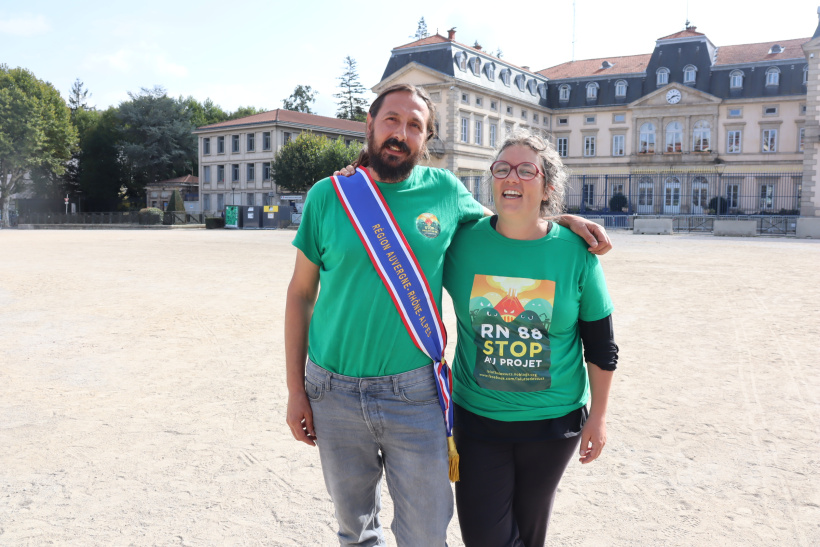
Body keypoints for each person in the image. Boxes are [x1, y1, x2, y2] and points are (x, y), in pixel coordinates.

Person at [284, 84, 611, 547]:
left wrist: (563, 221)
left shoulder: (445, 191)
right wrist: (296, 390)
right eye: (391, 120)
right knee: (355, 531)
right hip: (332, 393)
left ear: (427, 137)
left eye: (415, 125)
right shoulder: (328, 196)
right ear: (370, 126)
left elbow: (509, 219)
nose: (401, 133)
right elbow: (300, 295)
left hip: (414, 394)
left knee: (425, 534)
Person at [443, 130, 618, 547]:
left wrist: (599, 415)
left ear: (548, 187)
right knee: (485, 537)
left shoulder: (575, 252)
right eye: (502, 169)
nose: (512, 178)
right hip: (477, 419)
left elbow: (600, 344)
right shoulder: (462, 242)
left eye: (526, 170)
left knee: (529, 533)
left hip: (552, 424)